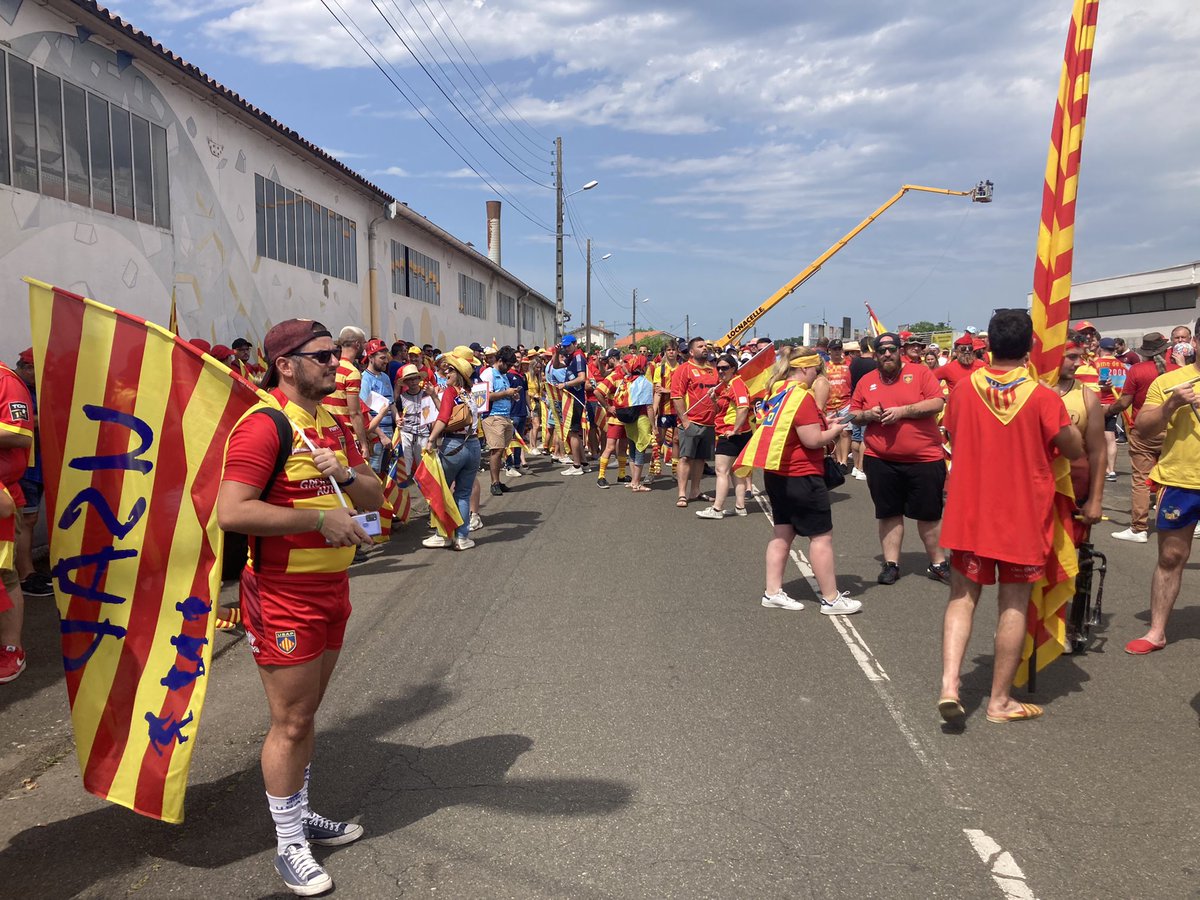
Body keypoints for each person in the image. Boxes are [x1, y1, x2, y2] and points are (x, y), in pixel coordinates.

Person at [218, 318, 382, 895]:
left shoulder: (333, 421)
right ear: (285, 364)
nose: (335, 364)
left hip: (333, 589)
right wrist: (318, 518)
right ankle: (289, 844)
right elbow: (232, 512)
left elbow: (374, 493)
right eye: (321, 356)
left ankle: (301, 812)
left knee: (307, 715)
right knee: (290, 722)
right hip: (283, 595)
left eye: (335, 354)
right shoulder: (263, 425)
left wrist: (348, 476)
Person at [937, 310, 1083, 725]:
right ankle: (999, 701)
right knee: (1014, 603)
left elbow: (956, 433)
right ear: (1029, 348)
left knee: (961, 599)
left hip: (969, 511)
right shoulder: (1042, 397)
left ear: (987, 347)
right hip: (1021, 515)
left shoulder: (964, 390)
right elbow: (1072, 449)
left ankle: (950, 684)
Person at [746, 347, 861, 615]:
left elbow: (795, 428)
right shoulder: (802, 397)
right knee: (821, 537)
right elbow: (812, 440)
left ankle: (772, 592)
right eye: (816, 371)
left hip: (778, 473)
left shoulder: (777, 392)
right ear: (806, 369)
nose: (818, 377)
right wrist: (833, 430)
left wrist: (823, 421)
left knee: (782, 534)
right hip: (802, 474)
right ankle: (831, 599)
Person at [1123, 320, 1200, 655]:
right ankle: (1156, 631)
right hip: (1180, 479)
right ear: (1197, 341)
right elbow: (1142, 427)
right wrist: (1172, 404)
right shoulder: (1170, 382)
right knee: (1171, 556)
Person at [849, 332, 949, 585]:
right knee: (889, 513)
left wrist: (901, 412)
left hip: (924, 458)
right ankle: (891, 564)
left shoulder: (920, 373)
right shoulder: (867, 380)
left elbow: (937, 402)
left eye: (891, 350)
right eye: (881, 351)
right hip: (880, 458)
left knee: (929, 514)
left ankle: (938, 563)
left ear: (899, 351)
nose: (886, 355)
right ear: (875, 355)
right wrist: (868, 414)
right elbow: (853, 414)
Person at [1109, 333, 1173, 543]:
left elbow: (1124, 402)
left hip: (1143, 430)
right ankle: (1174, 520)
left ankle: (1139, 528)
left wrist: (1107, 411)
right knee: (1171, 477)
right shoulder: (1177, 370)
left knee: (1140, 479)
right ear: (1165, 349)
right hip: (1172, 430)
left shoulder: (1137, 370)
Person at [425, 351, 482, 550]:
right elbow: (450, 415)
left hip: (453, 446)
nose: (445, 372)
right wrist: (434, 396)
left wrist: (431, 439)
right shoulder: (469, 394)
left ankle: (442, 534)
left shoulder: (450, 391)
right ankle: (462, 537)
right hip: (473, 445)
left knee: (440, 491)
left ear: (458, 373)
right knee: (463, 493)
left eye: (449, 369)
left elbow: (443, 418)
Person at [0, 356, 33, 683]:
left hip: (3, 498)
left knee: (4, 575)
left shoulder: (6, 381)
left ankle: (12, 649)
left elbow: (20, 434)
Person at [11, 349, 51, 597]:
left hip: (36, 463)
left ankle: (29, 572)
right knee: (25, 520)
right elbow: (21, 423)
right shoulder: (15, 387)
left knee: (30, 519)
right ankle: (25, 575)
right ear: (27, 367)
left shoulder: (32, 388)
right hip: (25, 465)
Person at [696, 354, 753, 518]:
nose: (721, 371)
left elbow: (743, 407)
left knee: (722, 471)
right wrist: (715, 400)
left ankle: (717, 509)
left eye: (725, 368)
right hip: (733, 432)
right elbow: (725, 409)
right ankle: (740, 506)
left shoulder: (736, 384)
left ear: (733, 368)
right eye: (718, 368)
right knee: (736, 471)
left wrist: (735, 429)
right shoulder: (728, 386)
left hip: (730, 434)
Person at [671, 337, 719, 506]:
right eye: (700, 346)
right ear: (691, 352)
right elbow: (676, 395)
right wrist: (684, 421)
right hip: (691, 422)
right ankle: (682, 494)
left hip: (709, 423)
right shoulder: (684, 369)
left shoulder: (713, 370)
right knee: (685, 458)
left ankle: (695, 491)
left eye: (705, 346)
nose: (704, 348)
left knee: (700, 459)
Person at [322, 326, 368, 454]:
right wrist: (364, 445)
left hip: (328, 432)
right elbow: (355, 413)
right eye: (364, 343)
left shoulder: (329, 367)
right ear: (357, 344)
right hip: (347, 436)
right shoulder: (352, 372)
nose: (365, 347)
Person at [483, 346, 520, 496]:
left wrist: (512, 395)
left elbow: (502, 393)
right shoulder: (488, 374)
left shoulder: (503, 374)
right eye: (508, 365)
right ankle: (494, 483)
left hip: (505, 416)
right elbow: (486, 396)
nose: (510, 368)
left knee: (501, 450)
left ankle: (497, 480)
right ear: (500, 361)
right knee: (496, 450)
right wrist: (507, 392)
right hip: (493, 416)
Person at [360, 339, 398, 475]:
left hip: (389, 432)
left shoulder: (386, 378)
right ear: (370, 357)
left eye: (386, 358)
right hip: (375, 435)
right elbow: (363, 412)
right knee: (374, 473)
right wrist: (381, 435)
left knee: (387, 474)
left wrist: (398, 418)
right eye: (382, 358)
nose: (386, 361)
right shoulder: (364, 379)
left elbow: (391, 403)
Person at [1092, 337, 1127, 482]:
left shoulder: (1095, 363)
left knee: (1095, 437)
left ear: (1100, 348)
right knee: (1111, 437)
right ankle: (1111, 470)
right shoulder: (1122, 365)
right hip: (1114, 403)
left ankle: (1099, 468)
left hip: (1098, 403)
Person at [395, 363, 436, 480]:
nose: (413, 382)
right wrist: (398, 420)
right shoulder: (401, 398)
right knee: (405, 461)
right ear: (406, 382)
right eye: (409, 379)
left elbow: (433, 414)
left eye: (415, 378)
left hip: (423, 432)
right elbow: (398, 413)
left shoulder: (426, 395)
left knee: (424, 463)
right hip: (406, 432)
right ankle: (406, 483)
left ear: (419, 379)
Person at [594, 354, 629, 489]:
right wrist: (608, 407)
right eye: (626, 362)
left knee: (623, 447)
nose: (627, 365)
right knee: (610, 447)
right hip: (615, 418)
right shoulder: (614, 376)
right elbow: (598, 392)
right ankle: (601, 477)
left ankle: (621, 475)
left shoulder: (629, 376)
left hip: (627, 417)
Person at [557, 335, 589, 475]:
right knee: (574, 432)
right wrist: (557, 352)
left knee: (573, 432)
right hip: (572, 398)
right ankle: (584, 463)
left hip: (575, 399)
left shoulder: (578, 357)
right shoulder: (571, 357)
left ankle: (576, 466)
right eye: (564, 346)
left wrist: (565, 384)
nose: (566, 348)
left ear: (575, 344)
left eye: (568, 346)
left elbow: (582, 378)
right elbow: (557, 365)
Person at [847, 336, 877, 481]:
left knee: (856, 436)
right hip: (867, 403)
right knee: (865, 437)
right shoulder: (874, 364)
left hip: (854, 401)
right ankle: (861, 468)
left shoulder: (854, 363)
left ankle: (855, 467)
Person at [823, 339, 852, 471]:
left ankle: (844, 462)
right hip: (829, 405)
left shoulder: (848, 364)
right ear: (829, 350)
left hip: (845, 403)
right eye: (834, 349)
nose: (836, 352)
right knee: (834, 434)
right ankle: (837, 459)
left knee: (845, 432)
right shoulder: (824, 366)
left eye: (838, 349)